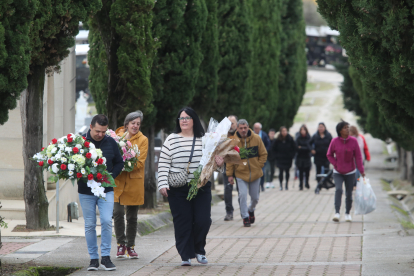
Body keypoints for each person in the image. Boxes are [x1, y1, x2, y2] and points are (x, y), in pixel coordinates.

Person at [158, 107, 224, 266]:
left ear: (194, 120)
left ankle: (199, 249)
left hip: (201, 187)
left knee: (203, 221)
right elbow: (163, 163)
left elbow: (212, 163)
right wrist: (162, 184)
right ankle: (185, 255)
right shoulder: (171, 139)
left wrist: (219, 164)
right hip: (178, 188)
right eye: (181, 118)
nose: (184, 121)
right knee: (183, 222)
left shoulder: (206, 139)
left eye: (187, 118)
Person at [78, 114, 124, 271]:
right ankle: (93, 259)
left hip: (106, 190)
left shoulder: (110, 142)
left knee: (106, 221)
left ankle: (105, 257)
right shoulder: (80, 143)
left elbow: (119, 162)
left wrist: (112, 176)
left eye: (103, 132)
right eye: (97, 131)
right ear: (90, 127)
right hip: (86, 191)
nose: (100, 135)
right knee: (90, 224)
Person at [113, 111, 148, 259]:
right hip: (118, 182)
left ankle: (130, 246)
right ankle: (121, 244)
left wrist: (124, 164)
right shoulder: (116, 137)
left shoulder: (143, 139)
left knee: (132, 217)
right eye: (133, 123)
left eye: (138, 124)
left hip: (134, 182)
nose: (135, 126)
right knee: (118, 213)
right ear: (127, 124)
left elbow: (140, 162)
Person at [227, 119, 268, 227]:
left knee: (255, 198)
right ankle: (245, 217)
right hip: (240, 173)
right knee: (242, 195)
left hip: (255, 173)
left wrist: (259, 165)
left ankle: (251, 210)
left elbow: (263, 154)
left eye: (245, 127)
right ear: (237, 129)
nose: (243, 130)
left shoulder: (256, 138)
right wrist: (230, 175)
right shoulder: (233, 142)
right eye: (241, 128)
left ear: (248, 127)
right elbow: (230, 160)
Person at [327, 121, 365, 222]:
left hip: (350, 172)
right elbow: (329, 154)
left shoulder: (353, 141)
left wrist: (361, 170)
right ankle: (337, 213)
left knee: (349, 193)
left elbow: (358, 156)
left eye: (348, 127)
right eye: (345, 128)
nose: (347, 129)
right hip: (338, 172)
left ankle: (347, 213)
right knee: (338, 190)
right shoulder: (334, 141)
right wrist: (335, 164)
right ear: (340, 130)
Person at [223, 115, 238, 221]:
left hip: (239, 166)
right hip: (227, 166)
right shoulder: (222, 136)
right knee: (227, 189)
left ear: (236, 124)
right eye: (228, 123)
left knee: (242, 190)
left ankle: (244, 211)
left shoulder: (241, 135)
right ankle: (229, 212)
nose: (230, 125)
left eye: (232, 123)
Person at [253, 122, 271, 191]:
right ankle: (256, 186)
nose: (255, 129)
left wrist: (264, 151)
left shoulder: (264, 135)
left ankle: (262, 185)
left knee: (262, 172)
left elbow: (268, 145)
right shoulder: (251, 134)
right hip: (254, 157)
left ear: (260, 128)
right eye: (254, 128)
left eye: (257, 128)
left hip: (262, 157)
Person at [295, 125, 312, 190]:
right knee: (301, 171)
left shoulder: (308, 137)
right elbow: (297, 147)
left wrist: (301, 147)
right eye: (301, 130)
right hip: (300, 157)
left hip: (307, 157)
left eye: (304, 130)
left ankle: (307, 182)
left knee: (307, 171)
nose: (303, 131)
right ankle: (301, 184)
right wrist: (302, 148)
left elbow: (309, 147)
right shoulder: (298, 138)